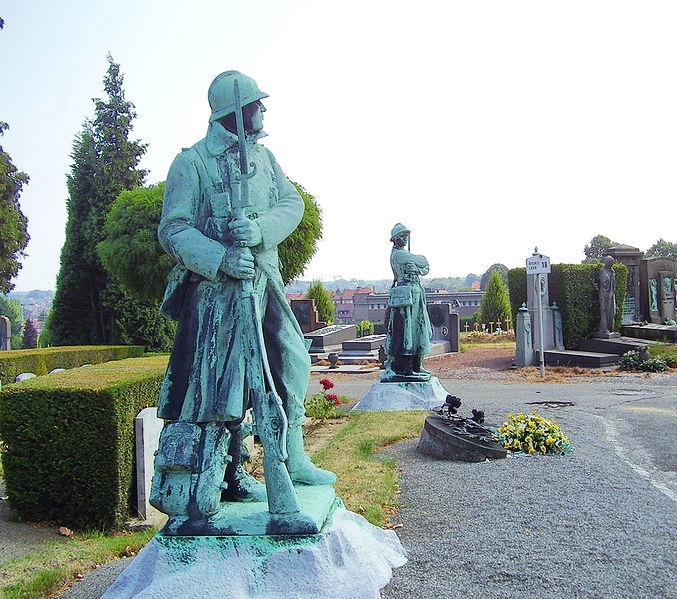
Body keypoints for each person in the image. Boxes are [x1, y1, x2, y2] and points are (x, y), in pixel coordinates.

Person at [150, 71, 334, 521]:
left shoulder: (266, 157)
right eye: (258, 104)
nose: (264, 112)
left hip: (264, 278)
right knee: (224, 383)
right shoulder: (191, 163)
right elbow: (173, 229)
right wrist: (219, 258)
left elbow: (292, 204)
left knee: (292, 359)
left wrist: (260, 230)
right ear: (236, 111)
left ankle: (292, 455)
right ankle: (230, 473)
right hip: (219, 293)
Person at [382, 223, 433, 382]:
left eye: (406, 236)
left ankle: (417, 366)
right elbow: (422, 260)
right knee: (407, 332)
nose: (405, 238)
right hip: (406, 296)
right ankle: (405, 368)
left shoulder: (404, 254)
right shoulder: (398, 255)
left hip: (416, 293)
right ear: (395, 239)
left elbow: (426, 268)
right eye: (402, 236)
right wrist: (417, 264)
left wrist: (417, 268)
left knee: (420, 330)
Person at [597, 255, 617, 335]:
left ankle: (610, 327)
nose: (611, 264)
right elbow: (605, 281)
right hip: (605, 295)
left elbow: (614, 282)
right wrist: (611, 278)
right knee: (605, 310)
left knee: (612, 311)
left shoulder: (612, 270)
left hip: (611, 294)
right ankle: (604, 328)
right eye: (610, 262)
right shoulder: (603, 270)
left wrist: (613, 277)